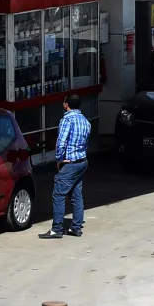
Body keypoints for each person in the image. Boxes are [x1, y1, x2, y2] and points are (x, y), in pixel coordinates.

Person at [40, 94, 90, 239]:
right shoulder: (86, 122)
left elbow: (61, 142)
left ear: (66, 104)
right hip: (82, 161)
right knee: (76, 195)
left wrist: (59, 159)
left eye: (64, 101)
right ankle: (76, 228)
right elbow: (86, 143)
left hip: (70, 163)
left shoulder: (67, 120)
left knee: (58, 194)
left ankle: (57, 229)